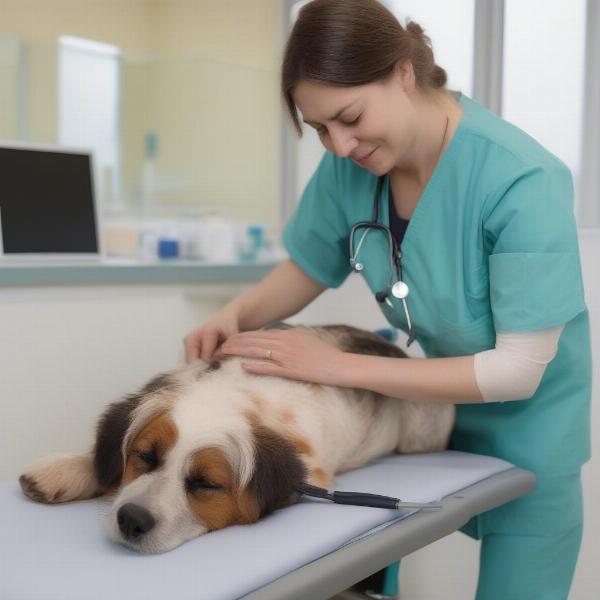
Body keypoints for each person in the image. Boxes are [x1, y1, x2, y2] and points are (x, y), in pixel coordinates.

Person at [183, 1, 591, 598]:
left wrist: (334, 365)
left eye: (349, 117)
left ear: (403, 71)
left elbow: (516, 370)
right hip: (418, 425)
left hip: (532, 433)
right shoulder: (353, 166)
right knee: (369, 568)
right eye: (320, 128)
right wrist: (237, 315)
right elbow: (311, 262)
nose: (341, 146)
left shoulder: (521, 180)